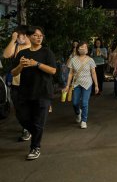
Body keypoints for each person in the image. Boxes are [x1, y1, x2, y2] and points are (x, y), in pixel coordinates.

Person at [11, 26, 56, 160]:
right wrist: (21, 65)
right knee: (22, 117)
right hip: (25, 92)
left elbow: (53, 70)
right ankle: (36, 133)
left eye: (41, 35)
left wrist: (36, 64)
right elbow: (13, 72)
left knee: (38, 122)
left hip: (43, 92)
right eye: (36, 35)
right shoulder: (22, 53)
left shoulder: (47, 52)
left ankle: (35, 147)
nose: (39, 37)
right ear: (29, 37)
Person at [3, 25, 31, 141]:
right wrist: (13, 40)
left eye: (18, 35)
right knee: (18, 109)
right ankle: (27, 126)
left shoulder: (34, 47)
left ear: (26, 35)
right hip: (16, 83)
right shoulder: (16, 46)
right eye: (17, 36)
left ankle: (27, 129)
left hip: (29, 84)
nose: (18, 38)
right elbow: (5, 55)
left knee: (28, 108)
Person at [65, 41, 99, 129]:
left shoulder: (90, 60)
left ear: (87, 49)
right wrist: (67, 85)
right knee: (75, 103)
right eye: (82, 47)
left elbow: (93, 73)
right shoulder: (73, 59)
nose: (83, 48)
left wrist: (96, 85)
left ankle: (84, 121)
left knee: (84, 103)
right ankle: (78, 113)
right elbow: (70, 74)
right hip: (76, 84)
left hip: (87, 83)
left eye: (85, 47)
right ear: (78, 49)